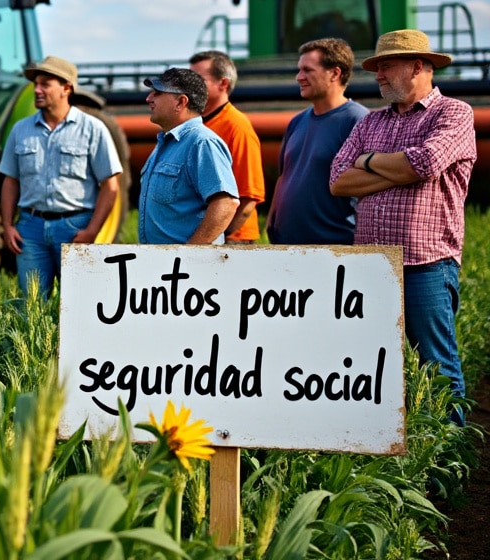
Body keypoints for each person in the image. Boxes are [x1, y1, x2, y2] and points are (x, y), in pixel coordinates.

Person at [330, 29, 476, 419]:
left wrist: (369, 161)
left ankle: (450, 459)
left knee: (436, 366)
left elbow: (427, 163)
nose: (378, 74)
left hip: (424, 263)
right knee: (377, 365)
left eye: (387, 66)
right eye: (377, 67)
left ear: (417, 66)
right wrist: (399, 168)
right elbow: (338, 179)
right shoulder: (370, 123)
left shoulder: (454, 113)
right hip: (372, 265)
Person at [0, 56, 122, 297]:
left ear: (66, 88)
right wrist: (6, 225)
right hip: (30, 228)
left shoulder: (93, 129)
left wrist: (92, 231)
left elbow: (110, 184)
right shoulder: (20, 129)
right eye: (35, 84)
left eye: (45, 84)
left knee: (80, 303)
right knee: (32, 305)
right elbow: (10, 180)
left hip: (75, 227)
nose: (36, 90)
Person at [266, 38, 368, 244]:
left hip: (333, 248)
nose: (299, 77)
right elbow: (284, 175)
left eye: (307, 70)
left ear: (335, 73)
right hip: (287, 245)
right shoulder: (297, 121)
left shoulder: (358, 120)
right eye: (299, 70)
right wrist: (271, 222)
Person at [138, 68, 239, 245]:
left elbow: (226, 204)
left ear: (181, 102)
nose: (149, 98)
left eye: (158, 93)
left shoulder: (201, 142)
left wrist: (190, 254)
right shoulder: (166, 143)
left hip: (188, 269)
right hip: (163, 264)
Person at [190, 51, 265, 243]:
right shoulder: (198, 125)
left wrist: (222, 237)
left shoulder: (237, 127)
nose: (190, 86)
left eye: (198, 79)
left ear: (223, 83)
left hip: (232, 241)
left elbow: (248, 197)